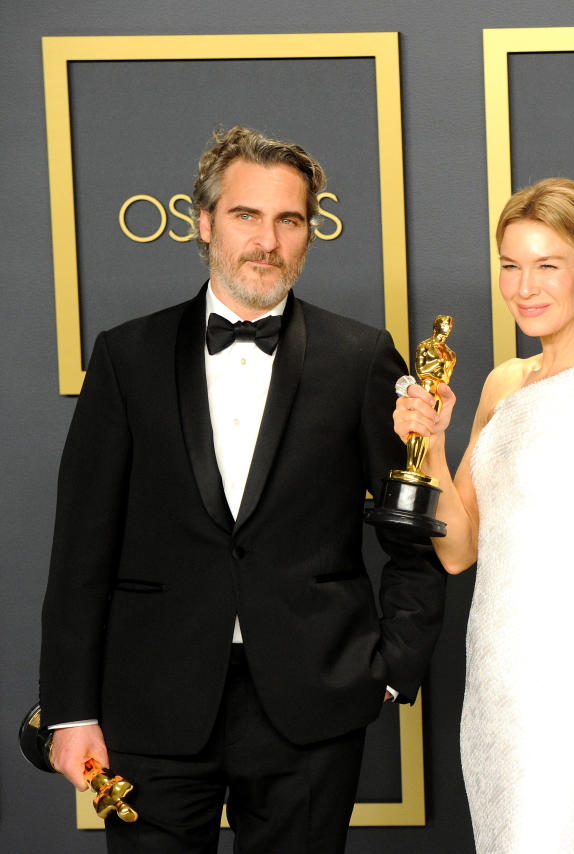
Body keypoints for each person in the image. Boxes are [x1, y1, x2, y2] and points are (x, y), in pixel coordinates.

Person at [37, 126, 446, 852]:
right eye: (246, 215)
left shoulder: (360, 357)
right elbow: (80, 552)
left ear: (308, 234)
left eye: (289, 219)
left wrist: (389, 672)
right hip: (152, 705)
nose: (268, 239)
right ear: (203, 222)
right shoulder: (126, 357)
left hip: (313, 701)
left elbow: (409, 534)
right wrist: (71, 711)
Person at [393, 177, 574, 852]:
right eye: (511, 266)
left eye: (548, 266)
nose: (524, 287)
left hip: (562, 677)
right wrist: (427, 443)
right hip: (490, 682)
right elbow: (459, 550)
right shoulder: (503, 382)